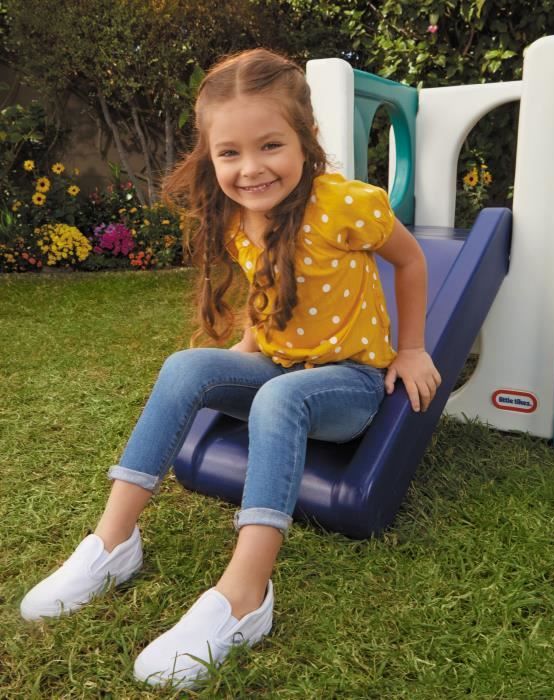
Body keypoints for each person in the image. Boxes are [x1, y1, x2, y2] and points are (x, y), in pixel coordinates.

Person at [20, 48, 441, 688]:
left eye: (270, 145)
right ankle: (112, 544)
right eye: (230, 153)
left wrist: (412, 348)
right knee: (185, 366)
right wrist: (245, 345)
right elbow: (267, 288)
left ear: (306, 138)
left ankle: (246, 596)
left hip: (349, 385)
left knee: (279, 399)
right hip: (279, 364)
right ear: (210, 155)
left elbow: (410, 262)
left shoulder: (347, 204)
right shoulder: (240, 217)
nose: (251, 168)